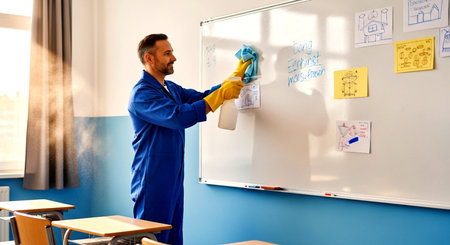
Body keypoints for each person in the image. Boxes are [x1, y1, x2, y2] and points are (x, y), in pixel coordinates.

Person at [128, 33, 250, 244]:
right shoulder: (142, 94)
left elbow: (201, 97)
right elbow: (178, 117)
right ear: (149, 58)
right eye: (167, 53)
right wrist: (221, 94)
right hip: (153, 181)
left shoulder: (171, 88)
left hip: (174, 179)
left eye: (172, 52)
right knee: (153, 240)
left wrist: (232, 79)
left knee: (174, 239)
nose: (173, 57)